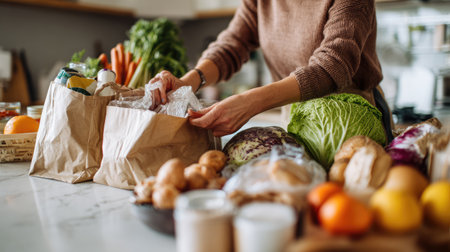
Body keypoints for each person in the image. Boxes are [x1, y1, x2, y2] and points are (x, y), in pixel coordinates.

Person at [149, 0, 394, 141]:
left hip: (352, 121)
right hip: (297, 120)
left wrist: (251, 101)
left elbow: (333, 65)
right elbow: (232, 45)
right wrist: (189, 82)